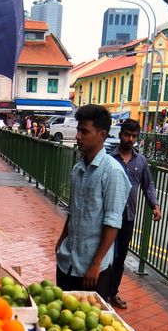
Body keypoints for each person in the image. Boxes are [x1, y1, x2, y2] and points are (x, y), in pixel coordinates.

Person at [55, 104, 131, 300]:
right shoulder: (78, 169)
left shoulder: (112, 172)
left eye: (84, 131)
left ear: (102, 134)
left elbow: (113, 222)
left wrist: (96, 263)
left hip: (92, 270)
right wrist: (62, 241)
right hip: (67, 263)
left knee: (87, 326)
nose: (78, 136)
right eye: (78, 130)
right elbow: (73, 211)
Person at [109, 118, 162, 308]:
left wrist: (154, 205)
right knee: (106, 255)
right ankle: (100, 292)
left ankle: (112, 293)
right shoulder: (109, 159)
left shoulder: (141, 161)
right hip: (108, 217)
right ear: (120, 134)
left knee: (120, 258)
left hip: (127, 217)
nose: (130, 139)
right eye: (127, 135)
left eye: (134, 136)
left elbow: (148, 186)